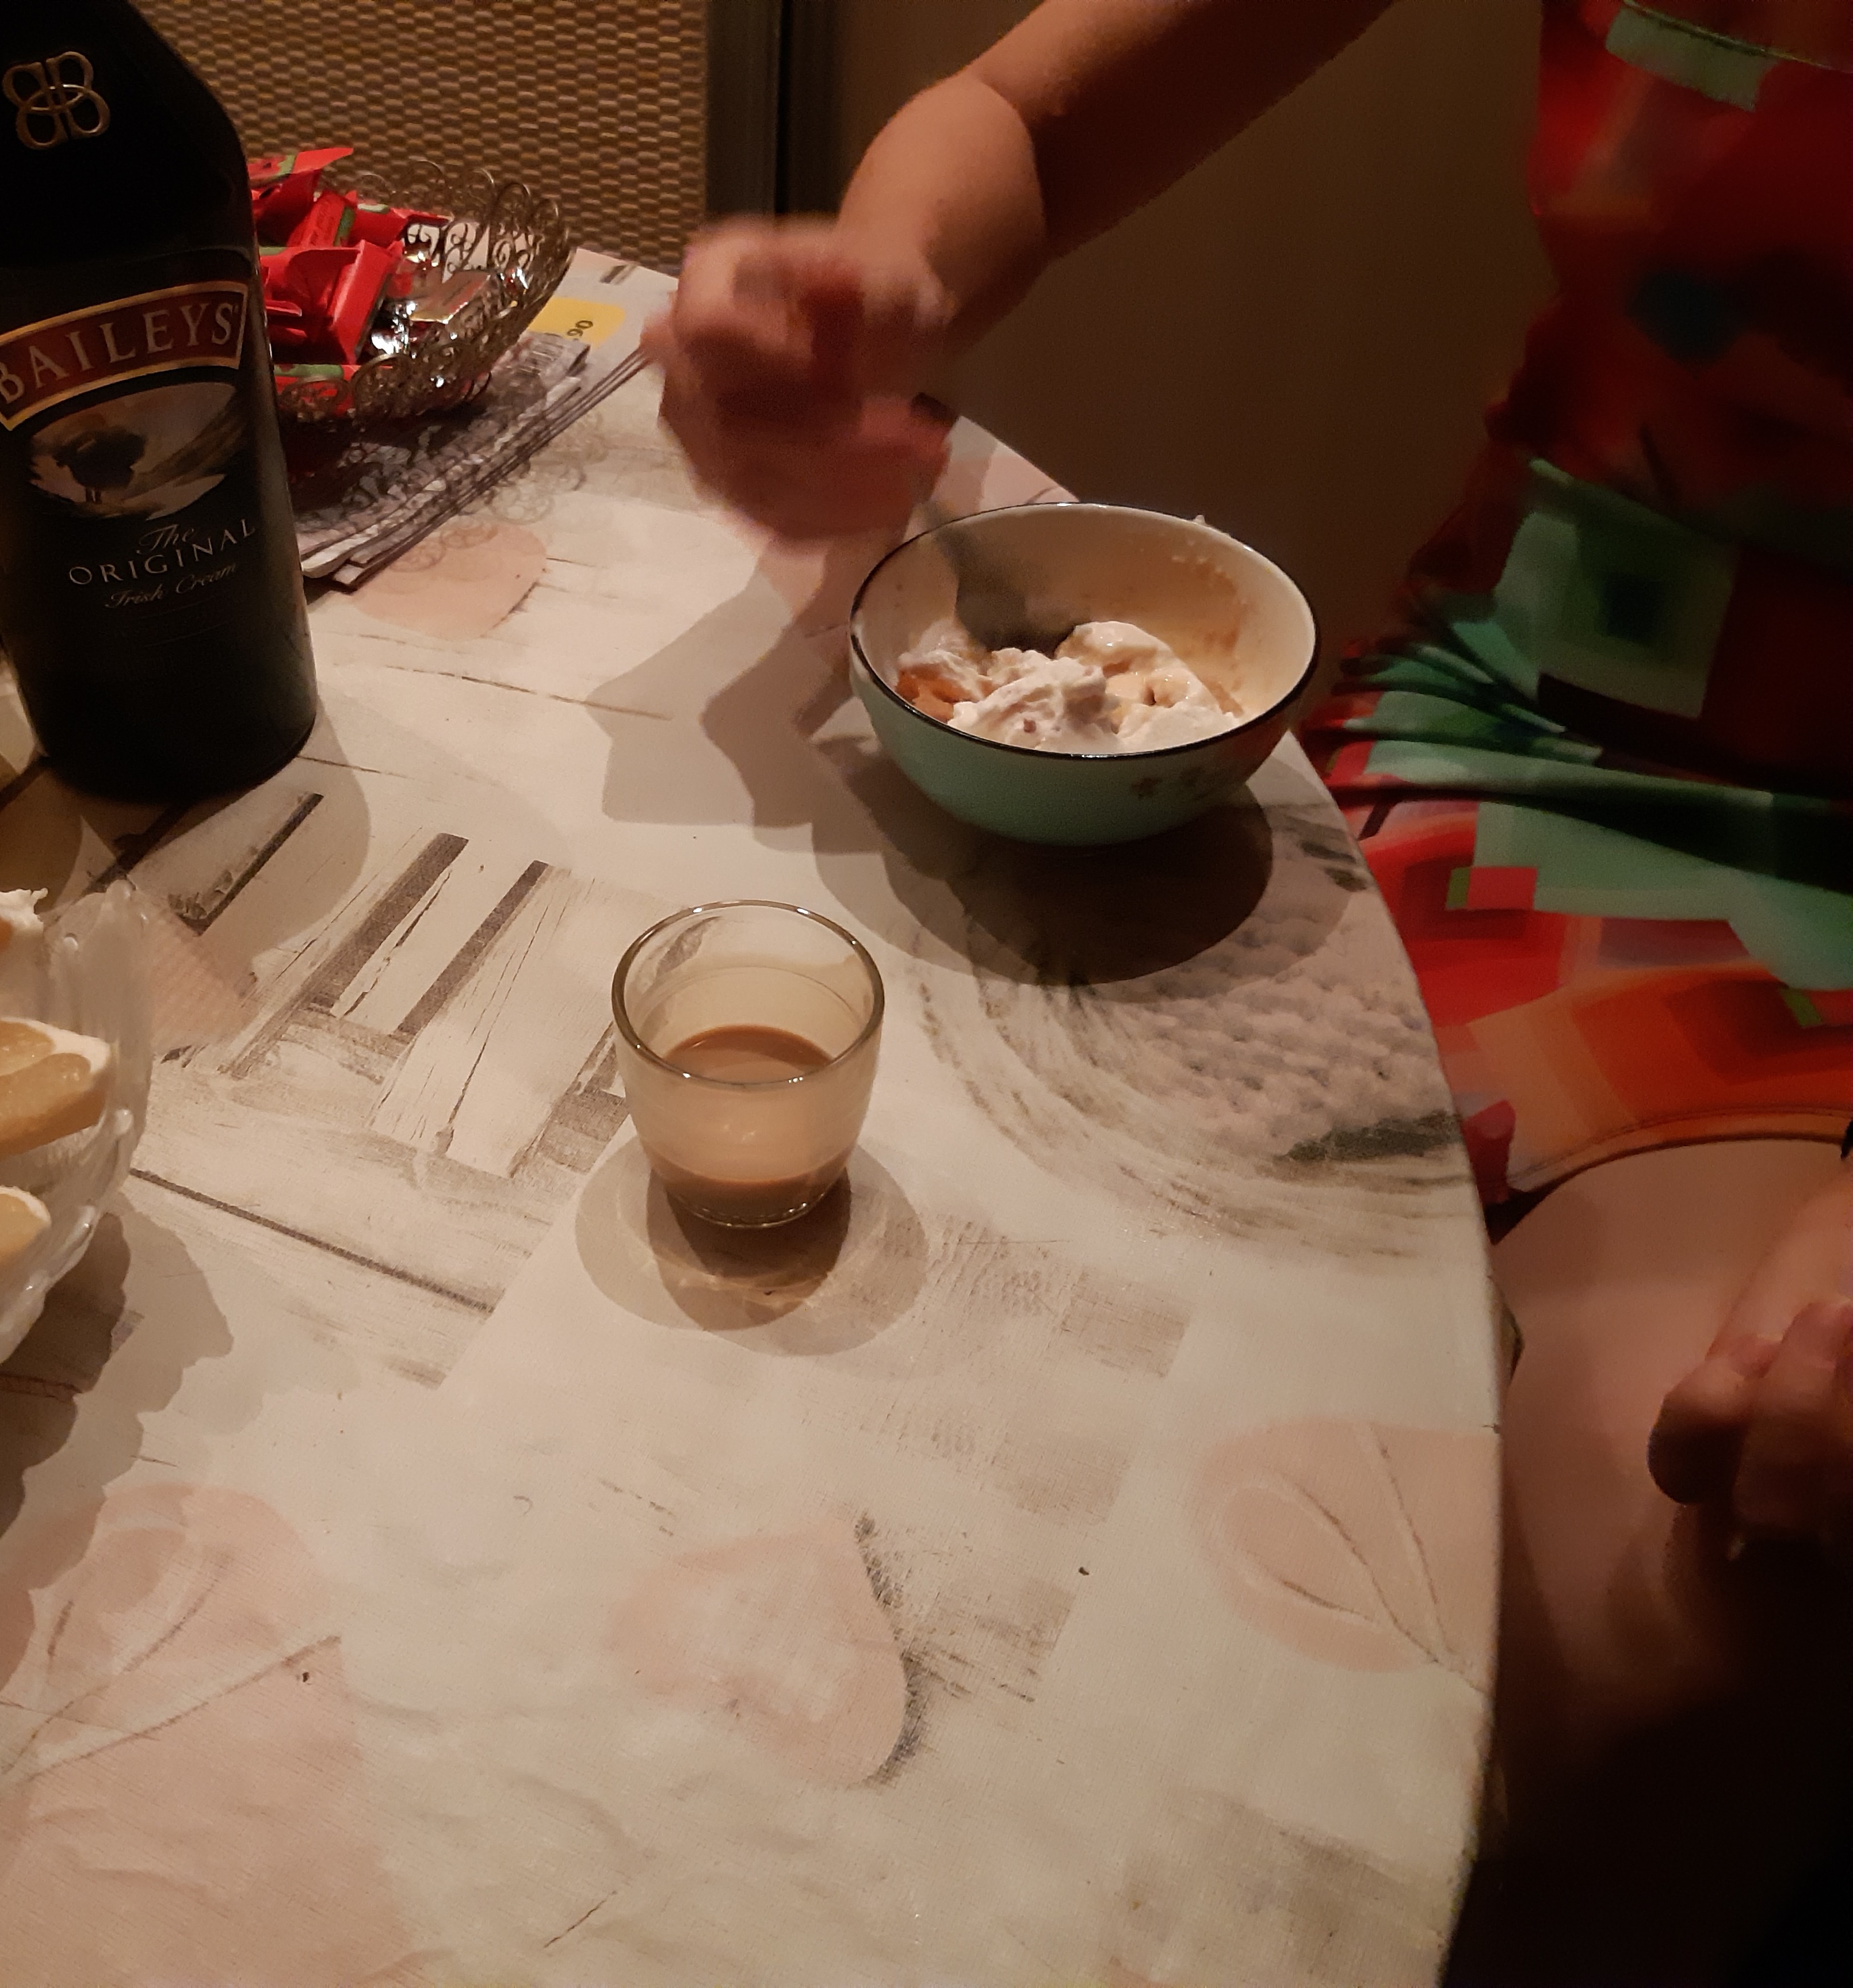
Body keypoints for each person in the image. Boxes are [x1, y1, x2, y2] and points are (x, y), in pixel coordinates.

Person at [648, 2, 1851, 1976]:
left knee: (1664, 1629)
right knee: (920, 1317)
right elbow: (1029, 117)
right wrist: (873, 285)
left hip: (1811, 906)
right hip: (1500, 727)